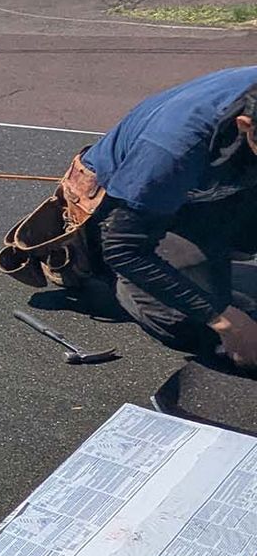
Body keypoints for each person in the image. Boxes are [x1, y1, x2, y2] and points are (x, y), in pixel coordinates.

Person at [81, 67, 257, 368]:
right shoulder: (172, 149)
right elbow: (125, 249)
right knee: (191, 325)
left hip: (215, 184)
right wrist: (225, 320)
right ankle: (109, 273)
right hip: (131, 214)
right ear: (246, 125)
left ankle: (214, 254)